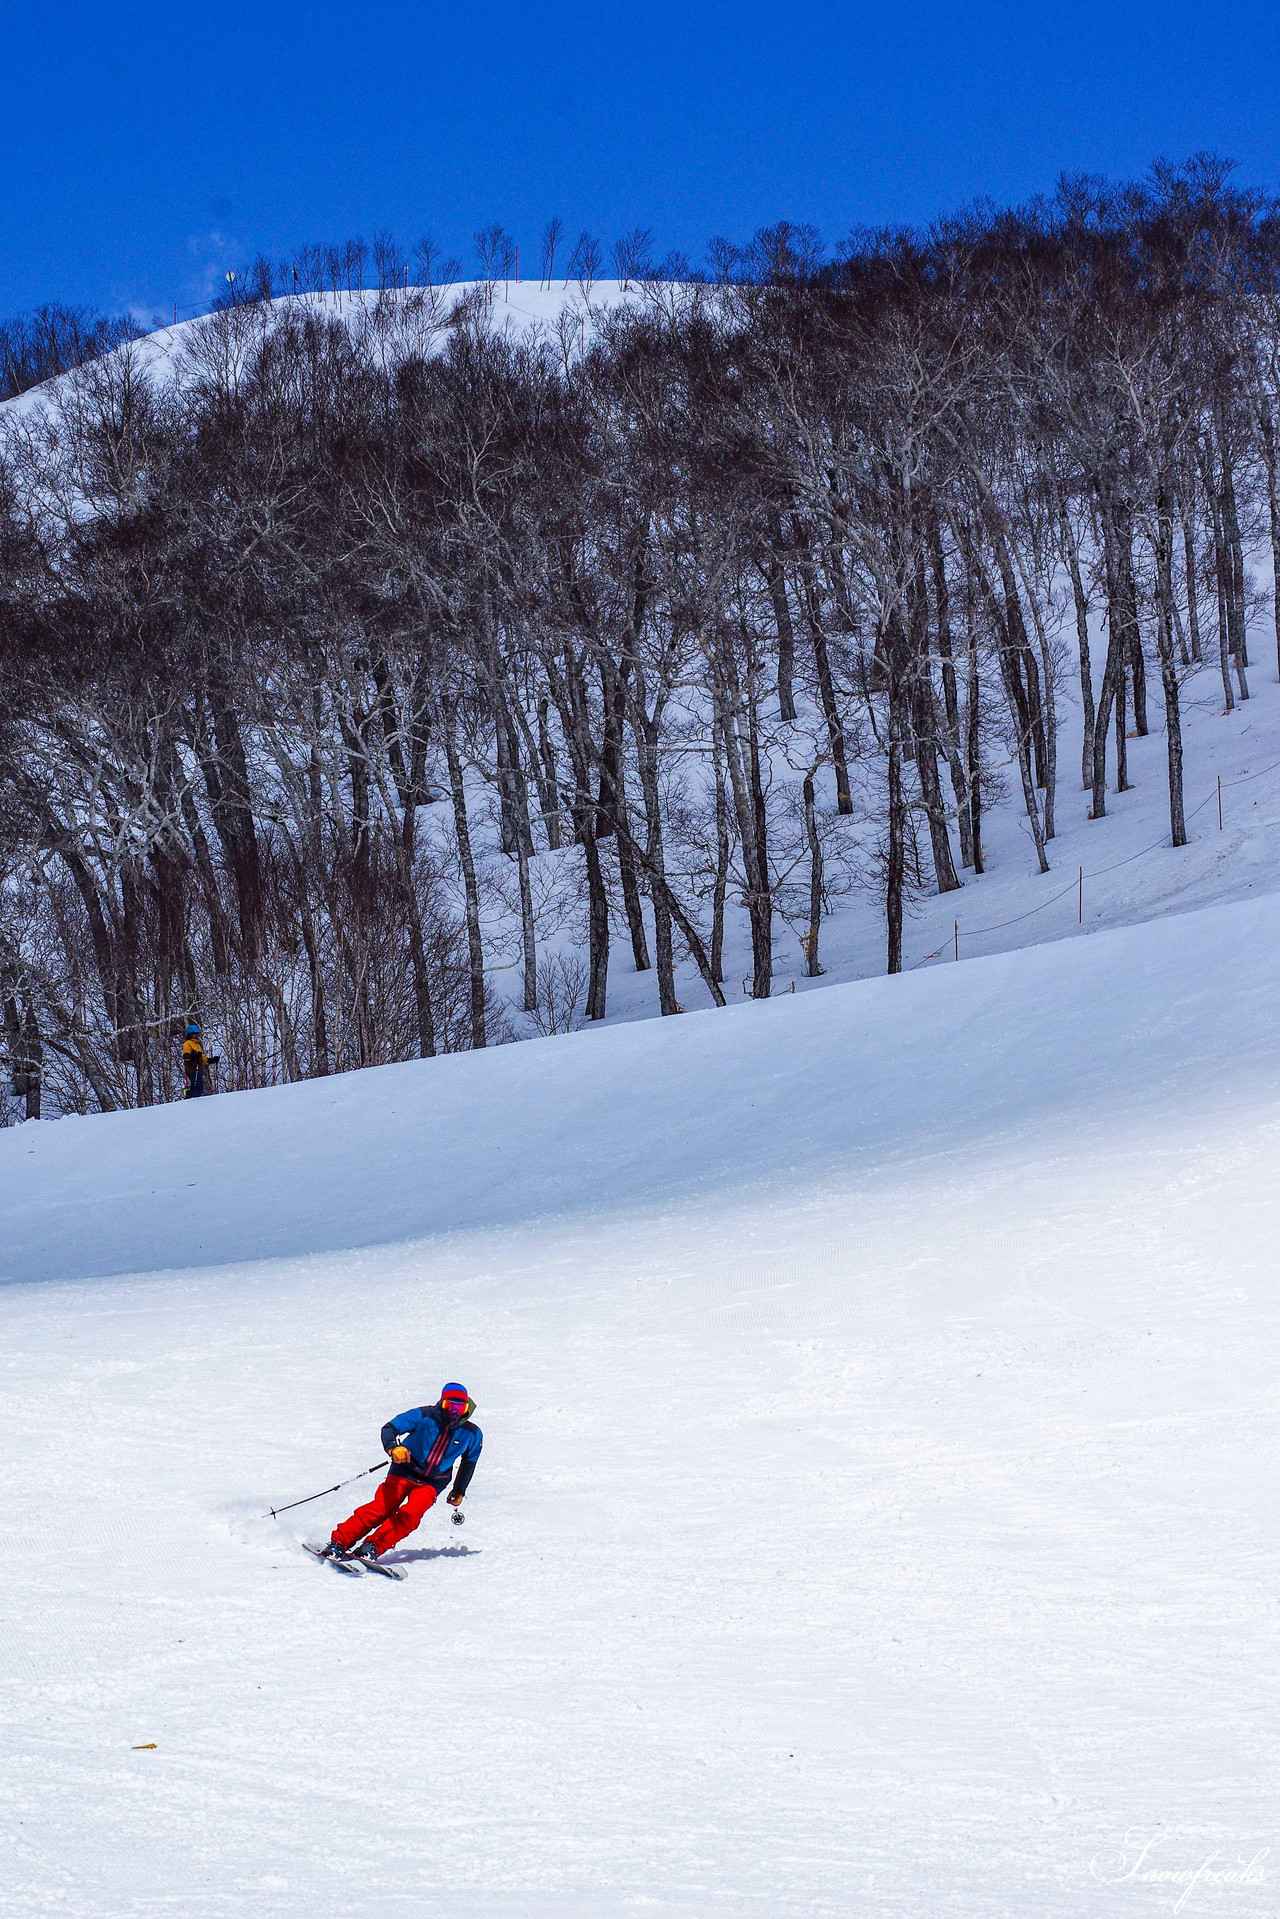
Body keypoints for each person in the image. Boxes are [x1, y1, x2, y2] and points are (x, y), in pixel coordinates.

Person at [322, 1383, 482, 1564]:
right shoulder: (424, 1415)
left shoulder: (472, 1433)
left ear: (467, 1407)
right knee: (381, 1507)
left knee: (411, 1515)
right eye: (449, 1406)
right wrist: (394, 1447)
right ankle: (339, 1542)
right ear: (441, 1402)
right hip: (404, 1470)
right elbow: (390, 1428)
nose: (454, 1412)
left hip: (433, 1482)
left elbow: (469, 1462)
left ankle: (372, 1546)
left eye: (460, 1408)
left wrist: (459, 1489)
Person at [181, 1022, 207, 1098]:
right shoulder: (187, 1043)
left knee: (197, 1088)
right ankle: (191, 1104)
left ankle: (193, 1104)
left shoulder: (197, 1045)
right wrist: (194, 1055)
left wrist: (210, 1060)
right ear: (190, 1034)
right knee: (196, 1088)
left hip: (198, 1070)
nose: (197, 1035)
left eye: (197, 1034)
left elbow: (202, 1057)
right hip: (192, 1070)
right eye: (195, 1034)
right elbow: (186, 1057)